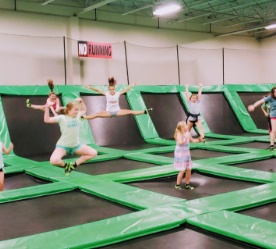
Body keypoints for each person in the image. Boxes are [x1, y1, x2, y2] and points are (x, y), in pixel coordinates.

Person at [44, 97, 97, 175]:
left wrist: (81, 101)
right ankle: (67, 166)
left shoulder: (78, 116)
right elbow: (47, 120)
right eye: (75, 110)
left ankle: (73, 165)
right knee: (53, 161)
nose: (77, 111)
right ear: (69, 110)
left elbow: (84, 110)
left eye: (77, 110)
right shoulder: (62, 118)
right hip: (63, 146)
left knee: (93, 153)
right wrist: (47, 108)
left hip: (76, 145)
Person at [84, 77, 152, 120]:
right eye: (110, 89)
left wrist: (132, 85)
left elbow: (126, 90)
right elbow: (98, 90)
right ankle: (84, 118)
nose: (111, 91)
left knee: (130, 111)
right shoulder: (107, 94)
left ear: (114, 89)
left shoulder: (117, 94)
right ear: (108, 89)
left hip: (118, 111)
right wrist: (90, 87)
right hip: (108, 112)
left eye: (113, 89)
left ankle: (144, 112)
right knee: (97, 115)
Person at [248, 86, 276, 151]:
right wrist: (254, 106)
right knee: (274, 131)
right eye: (275, 92)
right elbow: (261, 101)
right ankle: (272, 145)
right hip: (273, 116)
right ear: (273, 93)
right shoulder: (270, 98)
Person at [174, 121, 200, 190]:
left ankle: (187, 184)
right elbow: (179, 143)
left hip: (186, 153)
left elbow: (192, 140)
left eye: (186, 126)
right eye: (184, 126)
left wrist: (199, 140)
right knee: (182, 170)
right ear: (181, 128)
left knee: (189, 169)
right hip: (180, 153)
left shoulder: (188, 133)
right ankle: (177, 185)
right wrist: (185, 138)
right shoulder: (179, 133)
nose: (186, 127)